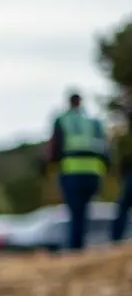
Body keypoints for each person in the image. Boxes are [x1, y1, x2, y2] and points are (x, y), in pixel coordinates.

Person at [46, 91, 109, 251]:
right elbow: (106, 149)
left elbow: (54, 148)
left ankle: (75, 247)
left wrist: (49, 166)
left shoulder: (63, 120)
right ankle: (81, 243)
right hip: (93, 173)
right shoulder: (93, 122)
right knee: (85, 210)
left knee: (75, 211)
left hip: (71, 173)